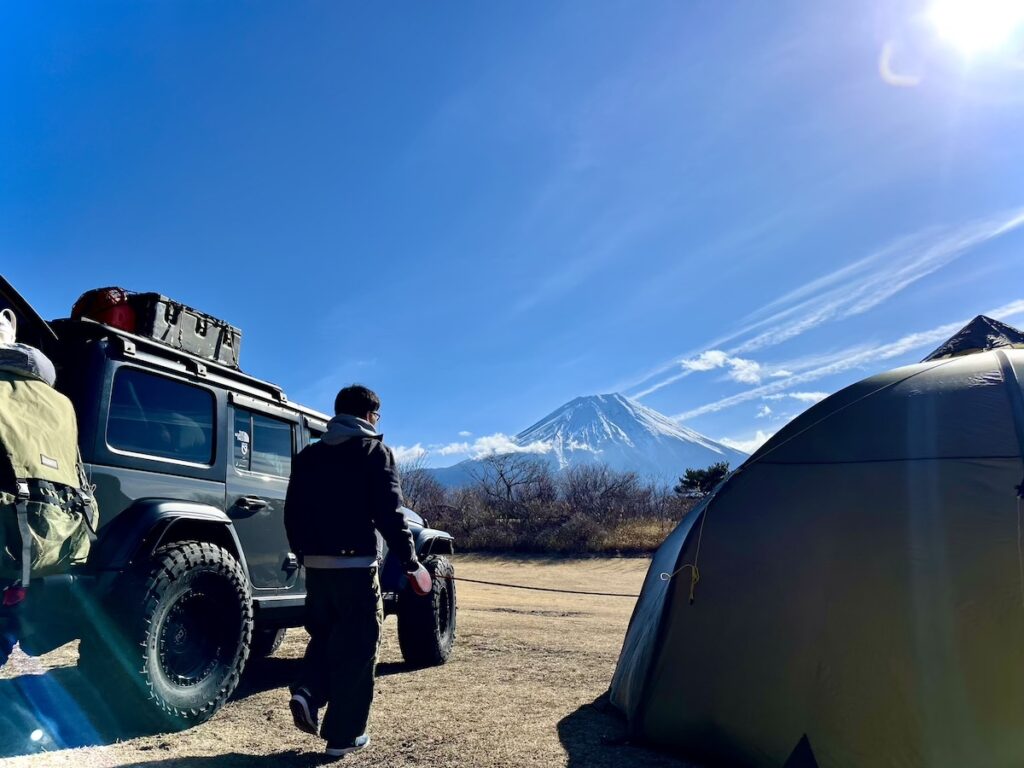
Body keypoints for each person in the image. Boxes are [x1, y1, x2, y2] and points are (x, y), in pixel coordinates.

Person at [284, 384, 430, 758]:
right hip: (356, 567)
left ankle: (308, 690)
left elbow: (292, 512)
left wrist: (303, 553)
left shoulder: (308, 456)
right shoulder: (373, 452)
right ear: (368, 416)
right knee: (360, 646)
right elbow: (391, 514)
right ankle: (344, 736)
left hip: (316, 567)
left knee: (327, 634)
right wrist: (411, 562)